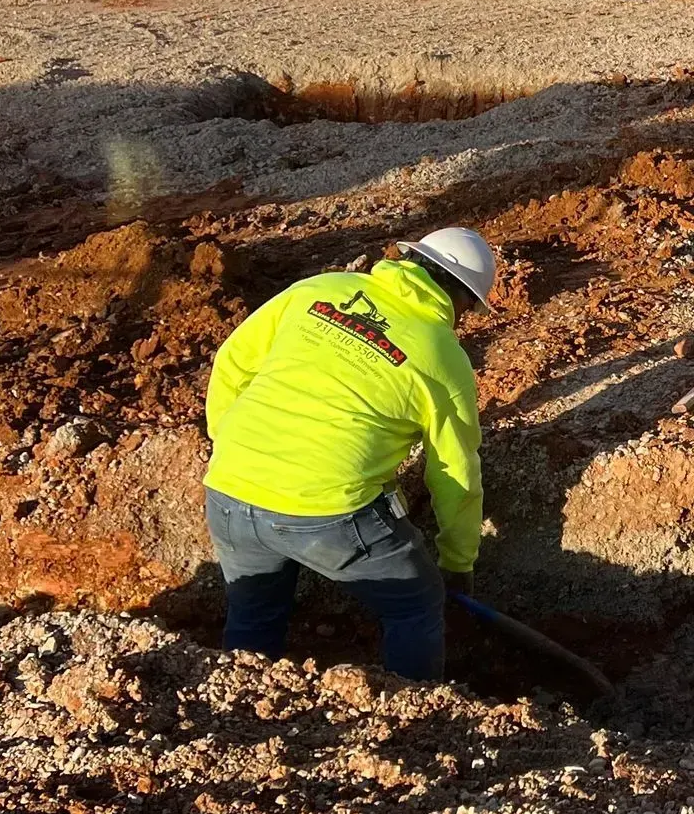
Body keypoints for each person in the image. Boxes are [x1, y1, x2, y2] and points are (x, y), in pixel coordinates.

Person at [202, 227, 496, 680]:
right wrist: (458, 565)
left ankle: (237, 705)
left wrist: (233, 447)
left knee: (254, 612)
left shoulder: (320, 289)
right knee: (416, 604)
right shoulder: (441, 353)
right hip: (327, 513)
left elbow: (232, 362)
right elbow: (455, 472)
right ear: (461, 299)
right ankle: (418, 715)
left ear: (410, 261)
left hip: (226, 492)